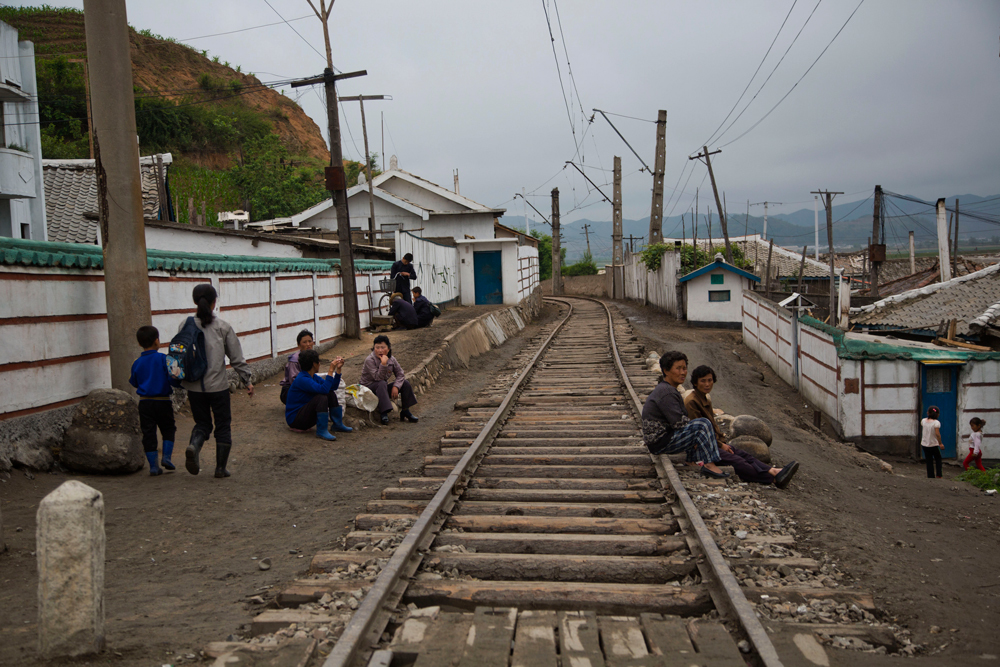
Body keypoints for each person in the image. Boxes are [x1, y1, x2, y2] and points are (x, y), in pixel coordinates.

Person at [684, 365, 799, 489]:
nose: (707, 384)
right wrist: (721, 445)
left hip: (714, 444)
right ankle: (773, 479)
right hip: (703, 448)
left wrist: (721, 443)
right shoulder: (692, 402)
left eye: (710, 380)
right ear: (695, 383)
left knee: (743, 454)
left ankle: (774, 471)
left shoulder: (704, 398)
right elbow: (699, 433)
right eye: (703, 381)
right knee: (738, 462)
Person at [181, 284, 253, 479]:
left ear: (195, 301)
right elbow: (236, 358)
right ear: (214, 303)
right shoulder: (223, 327)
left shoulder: (185, 325)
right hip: (218, 387)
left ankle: (194, 445)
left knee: (202, 423)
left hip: (194, 387)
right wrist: (247, 380)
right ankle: (220, 469)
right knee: (222, 424)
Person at [641, 351, 729, 478]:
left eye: (684, 368)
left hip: (662, 439)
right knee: (702, 424)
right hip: (660, 442)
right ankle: (709, 464)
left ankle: (691, 460)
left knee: (694, 424)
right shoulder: (667, 392)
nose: (683, 372)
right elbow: (678, 423)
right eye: (678, 368)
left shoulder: (668, 389)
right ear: (666, 371)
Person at [129, 325, 176, 476]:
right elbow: (173, 378)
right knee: (168, 428)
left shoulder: (137, 363)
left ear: (139, 343)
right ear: (157, 341)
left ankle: (154, 467)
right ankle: (167, 458)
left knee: (148, 433)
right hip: (163, 401)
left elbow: (134, 382)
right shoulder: (164, 359)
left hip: (145, 402)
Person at [285, 349, 350, 440]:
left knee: (330, 393)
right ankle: (321, 431)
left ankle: (337, 424)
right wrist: (331, 370)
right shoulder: (302, 379)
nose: (319, 364)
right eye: (318, 362)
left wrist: (338, 370)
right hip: (295, 420)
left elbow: (331, 387)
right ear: (314, 364)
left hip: (304, 416)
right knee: (321, 397)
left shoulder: (312, 377)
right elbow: (323, 390)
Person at [360, 334, 418, 425]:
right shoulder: (369, 360)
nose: (380, 350)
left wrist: (396, 386)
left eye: (382, 347)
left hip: (382, 388)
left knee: (405, 383)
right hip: (368, 389)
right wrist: (383, 364)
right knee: (381, 382)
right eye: (377, 347)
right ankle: (384, 413)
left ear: (388, 348)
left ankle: (405, 411)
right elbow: (377, 378)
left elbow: (400, 374)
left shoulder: (391, 359)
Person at [279, 329, 315, 405]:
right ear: (299, 345)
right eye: (304, 342)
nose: (308, 344)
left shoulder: (312, 357)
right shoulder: (294, 360)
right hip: (290, 391)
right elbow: (294, 381)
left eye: (310, 341)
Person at [920, 406, 945, 479]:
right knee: (938, 459)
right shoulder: (936, 423)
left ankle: (930, 476)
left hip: (924, 444)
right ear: (937, 414)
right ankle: (939, 475)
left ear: (928, 413)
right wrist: (940, 443)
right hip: (933, 444)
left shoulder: (923, 421)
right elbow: (937, 434)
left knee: (929, 460)